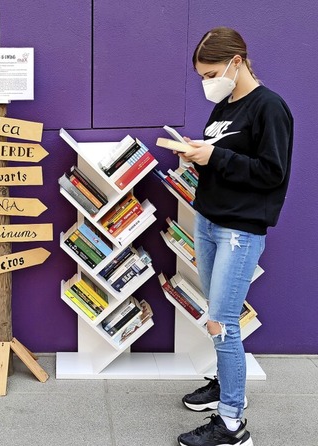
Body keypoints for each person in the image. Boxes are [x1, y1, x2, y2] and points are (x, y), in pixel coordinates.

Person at [176, 27, 293, 446]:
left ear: (236, 62)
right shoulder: (225, 106)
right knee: (218, 313)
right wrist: (197, 152)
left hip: (239, 231)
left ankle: (231, 423)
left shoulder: (270, 107)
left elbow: (272, 173)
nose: (207, 83)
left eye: (211, 73)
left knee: (221, 323)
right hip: (209, 222)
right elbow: (223, 158)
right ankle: (224, 384)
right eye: (202, 76)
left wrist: (215, 155)